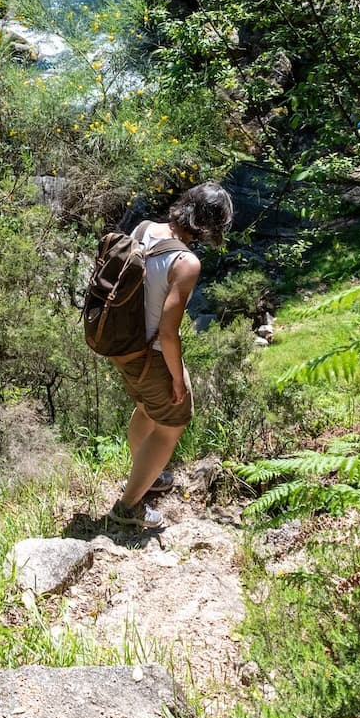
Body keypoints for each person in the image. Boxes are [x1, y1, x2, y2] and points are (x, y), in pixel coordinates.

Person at [107, 182, 234, 529]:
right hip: (153, 357)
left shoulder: (144, 228)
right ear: (212, 225)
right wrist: (178, 379)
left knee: (147, 409)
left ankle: (147, 474)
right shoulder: (186, 262)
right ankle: (128, 507)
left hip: (123, 347)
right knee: (172, 424)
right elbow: (168, 332)